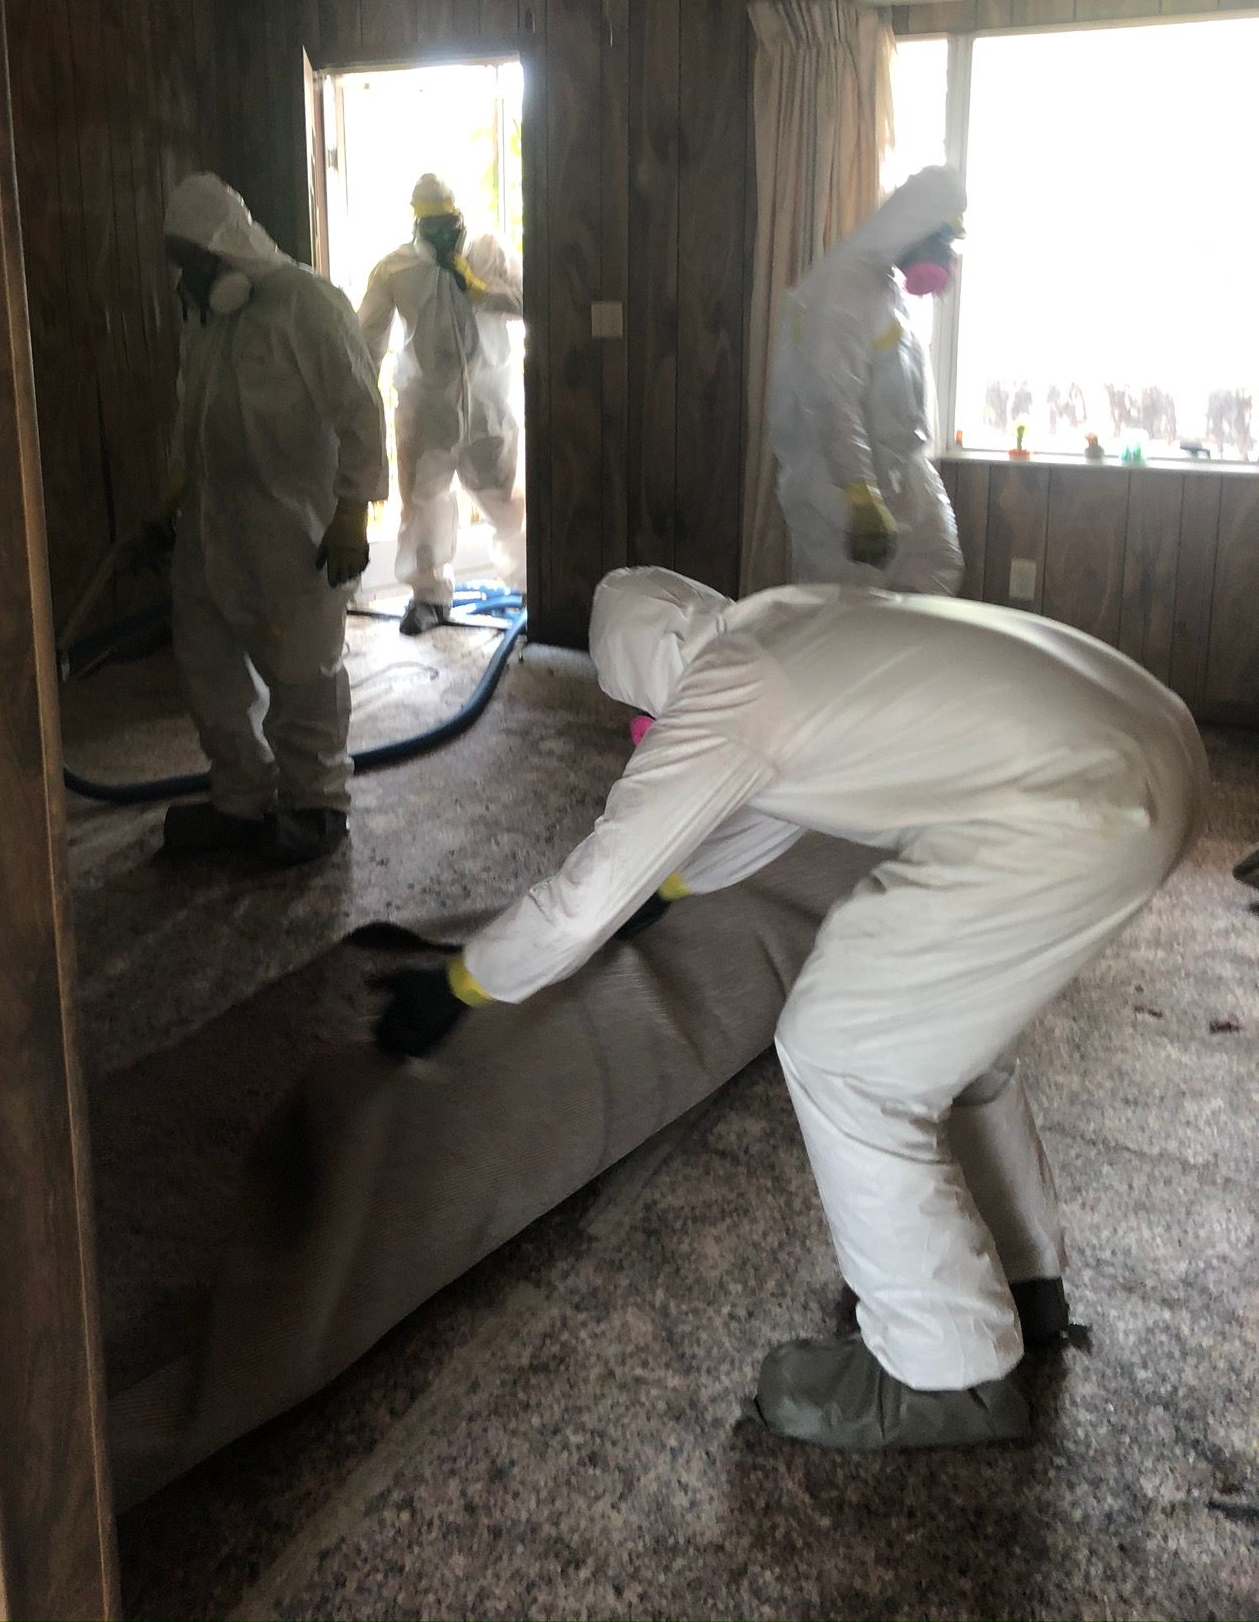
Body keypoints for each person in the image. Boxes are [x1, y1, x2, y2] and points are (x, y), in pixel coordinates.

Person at [374, 568, 1205, 1449]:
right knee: (943, 1027)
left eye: (641, 724)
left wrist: (462, 985)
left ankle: (944, 1371)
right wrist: (660, 894)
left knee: (842, 1048)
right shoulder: (791, 627)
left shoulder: (723, 697)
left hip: (1075, 811)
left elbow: (582, 898)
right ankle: (1017, 1271)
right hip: (1148, 750)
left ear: (646, 686)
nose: (647, 738)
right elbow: (767, 808)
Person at [159, 175, 387, 865]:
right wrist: (165, 505)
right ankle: (240, 796)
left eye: (191, 260)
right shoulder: (205, 315)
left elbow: (360, 411)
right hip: (210, 523)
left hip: (295, 533)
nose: (182, 276)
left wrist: (351, 514)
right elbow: (190, 418)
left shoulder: (308, 305)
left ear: (224, 250)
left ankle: (317, 806)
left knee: (301, 672)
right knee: (209, 667)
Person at [769, 164, 966, 593]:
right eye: (941, 242)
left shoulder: (881, 284)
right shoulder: (844, 285)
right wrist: (860, 496)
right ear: (916, 227)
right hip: (839, 492)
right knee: (849, 621)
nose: (944, 260)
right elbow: (829, 395)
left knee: (927, 588)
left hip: (890, 479)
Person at [357, 172, 525, 635]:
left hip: (489, 405)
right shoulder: (396, 269)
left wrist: (479, 287)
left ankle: (533, 587)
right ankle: (429, 597)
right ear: (417, 224)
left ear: (459, 216)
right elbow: (366, 341)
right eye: (430, 225)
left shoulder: (490, 253)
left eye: (448, 222)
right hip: (425, 410)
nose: (441, 233)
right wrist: (354, 399)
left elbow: (530, 301)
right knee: (423, 504)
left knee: (508, 503)